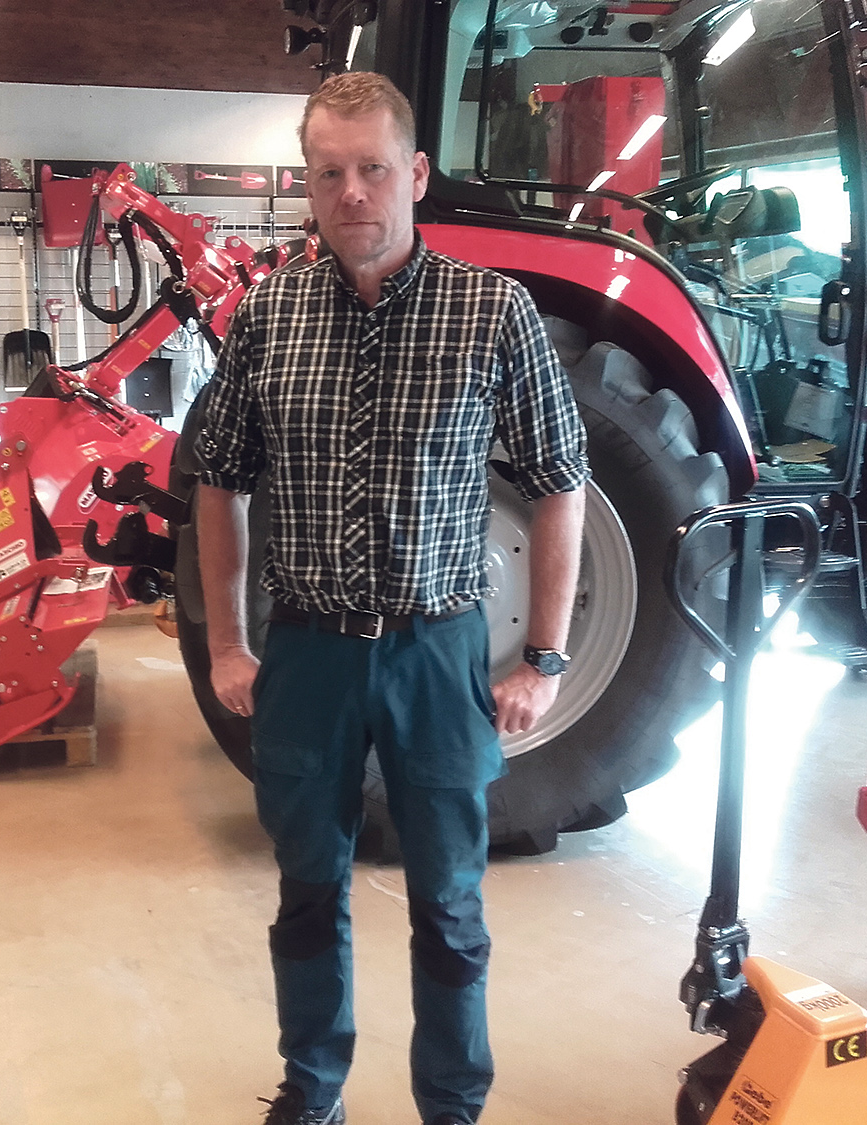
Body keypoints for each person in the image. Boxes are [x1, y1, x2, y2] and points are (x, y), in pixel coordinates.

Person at [195, 71, 589, 1125]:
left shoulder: (492, 312)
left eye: (372, 168)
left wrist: (544, 658)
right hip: (308, 654)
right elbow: (218, 479)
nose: (352, 193)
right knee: (307, 889)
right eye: (329, 173)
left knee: (449, 901)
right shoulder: (268, 316)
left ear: (413, 174)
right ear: (308, 184)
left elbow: (560, 482)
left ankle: (451, 1105)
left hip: (436, 654)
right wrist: (227, 644)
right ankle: (311, 1088)